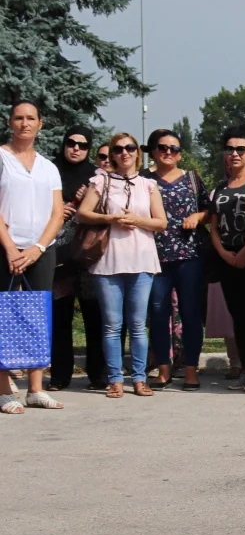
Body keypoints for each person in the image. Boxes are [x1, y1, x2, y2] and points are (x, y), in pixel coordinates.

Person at [75, 133, 167, 399]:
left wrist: (137, 220)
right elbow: (83, 213)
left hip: (141, 259)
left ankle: (138, 378)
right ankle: (115, 379)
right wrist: (111, 219)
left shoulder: (148, 185)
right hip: (108, 260)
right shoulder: (100, 180)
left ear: (137, 153)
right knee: (112, 325)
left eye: (130, 148)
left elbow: (161, 222)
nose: (124, 152)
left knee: (138, 325)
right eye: (118, 149)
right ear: (112, 154)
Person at [0, 101, 67, 412]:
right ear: (10, 122)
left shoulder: (48, 166)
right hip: (5, 249)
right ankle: (4, 390)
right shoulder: (1, 157)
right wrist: (12, 248)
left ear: (40, 124)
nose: (24, 123)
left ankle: (36, 388)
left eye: (31, 118)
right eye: (19, 118)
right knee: (5, 315)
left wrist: (38, 247)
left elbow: (57, 214)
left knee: (37, 315)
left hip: (40, 251)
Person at [146, 129, 209, 390]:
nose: (168, 152)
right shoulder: (144, 180)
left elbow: (209, 207)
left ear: (180, 153)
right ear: (153, 151)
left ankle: (191, 371)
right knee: (159, 314)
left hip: (189, 256)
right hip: (154, 257)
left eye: (174, 148)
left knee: (191, 314)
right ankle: (164, 370)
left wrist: (198, 217)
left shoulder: (192, 178)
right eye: (163, 147)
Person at [49, 125, 106, 391]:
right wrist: (62, 206)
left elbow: (107, 211)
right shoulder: (49, 171)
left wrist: (87, 202)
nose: (76, 148)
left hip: (86, 257)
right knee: (59, 318)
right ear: (64, 143)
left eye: (83, 145)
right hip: (57, 256)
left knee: (94, 316)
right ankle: (60, 375)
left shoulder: (96, 176)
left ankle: (98, 374)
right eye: (71, 143)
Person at [210, 125, 245, 393]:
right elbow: (214, 225)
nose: (235, 154)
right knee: (238, 316)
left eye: (241, 149)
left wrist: (243, 253)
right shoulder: (220, 187)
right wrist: (223, 253)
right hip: (227, 258)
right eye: (230, 149)